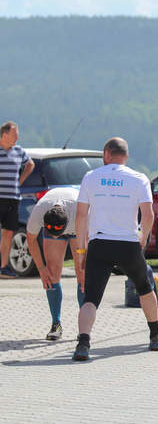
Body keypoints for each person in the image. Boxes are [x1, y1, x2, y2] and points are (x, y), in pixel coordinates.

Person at [72, 137, 158, 361]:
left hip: (99, 243)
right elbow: (149, 214)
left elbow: (81, 216)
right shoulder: (139, 178)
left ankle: (83, 344)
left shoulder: (91, 177)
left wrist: (81, 251)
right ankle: (155, 336)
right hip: (128, 243)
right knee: (145, 289)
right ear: (126, 156)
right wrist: (143, 237)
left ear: (106, 154)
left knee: (91, 298)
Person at [26, 187, 85, 340]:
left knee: (82, 275)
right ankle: (56, 324)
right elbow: (31, 239)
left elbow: (88, 241)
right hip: (56, 218)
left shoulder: (80, 209)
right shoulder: (40, 211)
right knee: (51, 275)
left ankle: (84, 327)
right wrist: (41, 269)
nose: (56, 236)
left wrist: (84, 267)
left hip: (78, 229)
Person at [0, 121, 34, 278]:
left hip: (13, 197)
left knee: (8, 233)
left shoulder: (19, 151)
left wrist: (20, 181)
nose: (17, 137)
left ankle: (4, 266)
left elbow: (30, 164)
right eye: (14, 134)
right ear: (4, 135)